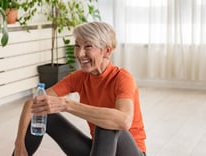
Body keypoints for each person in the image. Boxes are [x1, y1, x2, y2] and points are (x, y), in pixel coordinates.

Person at [13, 21, 146, 156]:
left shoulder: (122, 78)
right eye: (77, 46)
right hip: (99, 151)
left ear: (107, 51)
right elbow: (32, 103)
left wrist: (67, 105)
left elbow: (124, 121)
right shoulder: (80, 77)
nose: (80, 53)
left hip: (130, 152)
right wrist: (19, 143)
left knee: (107, 123)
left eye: (88, 46)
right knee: (42, 110)